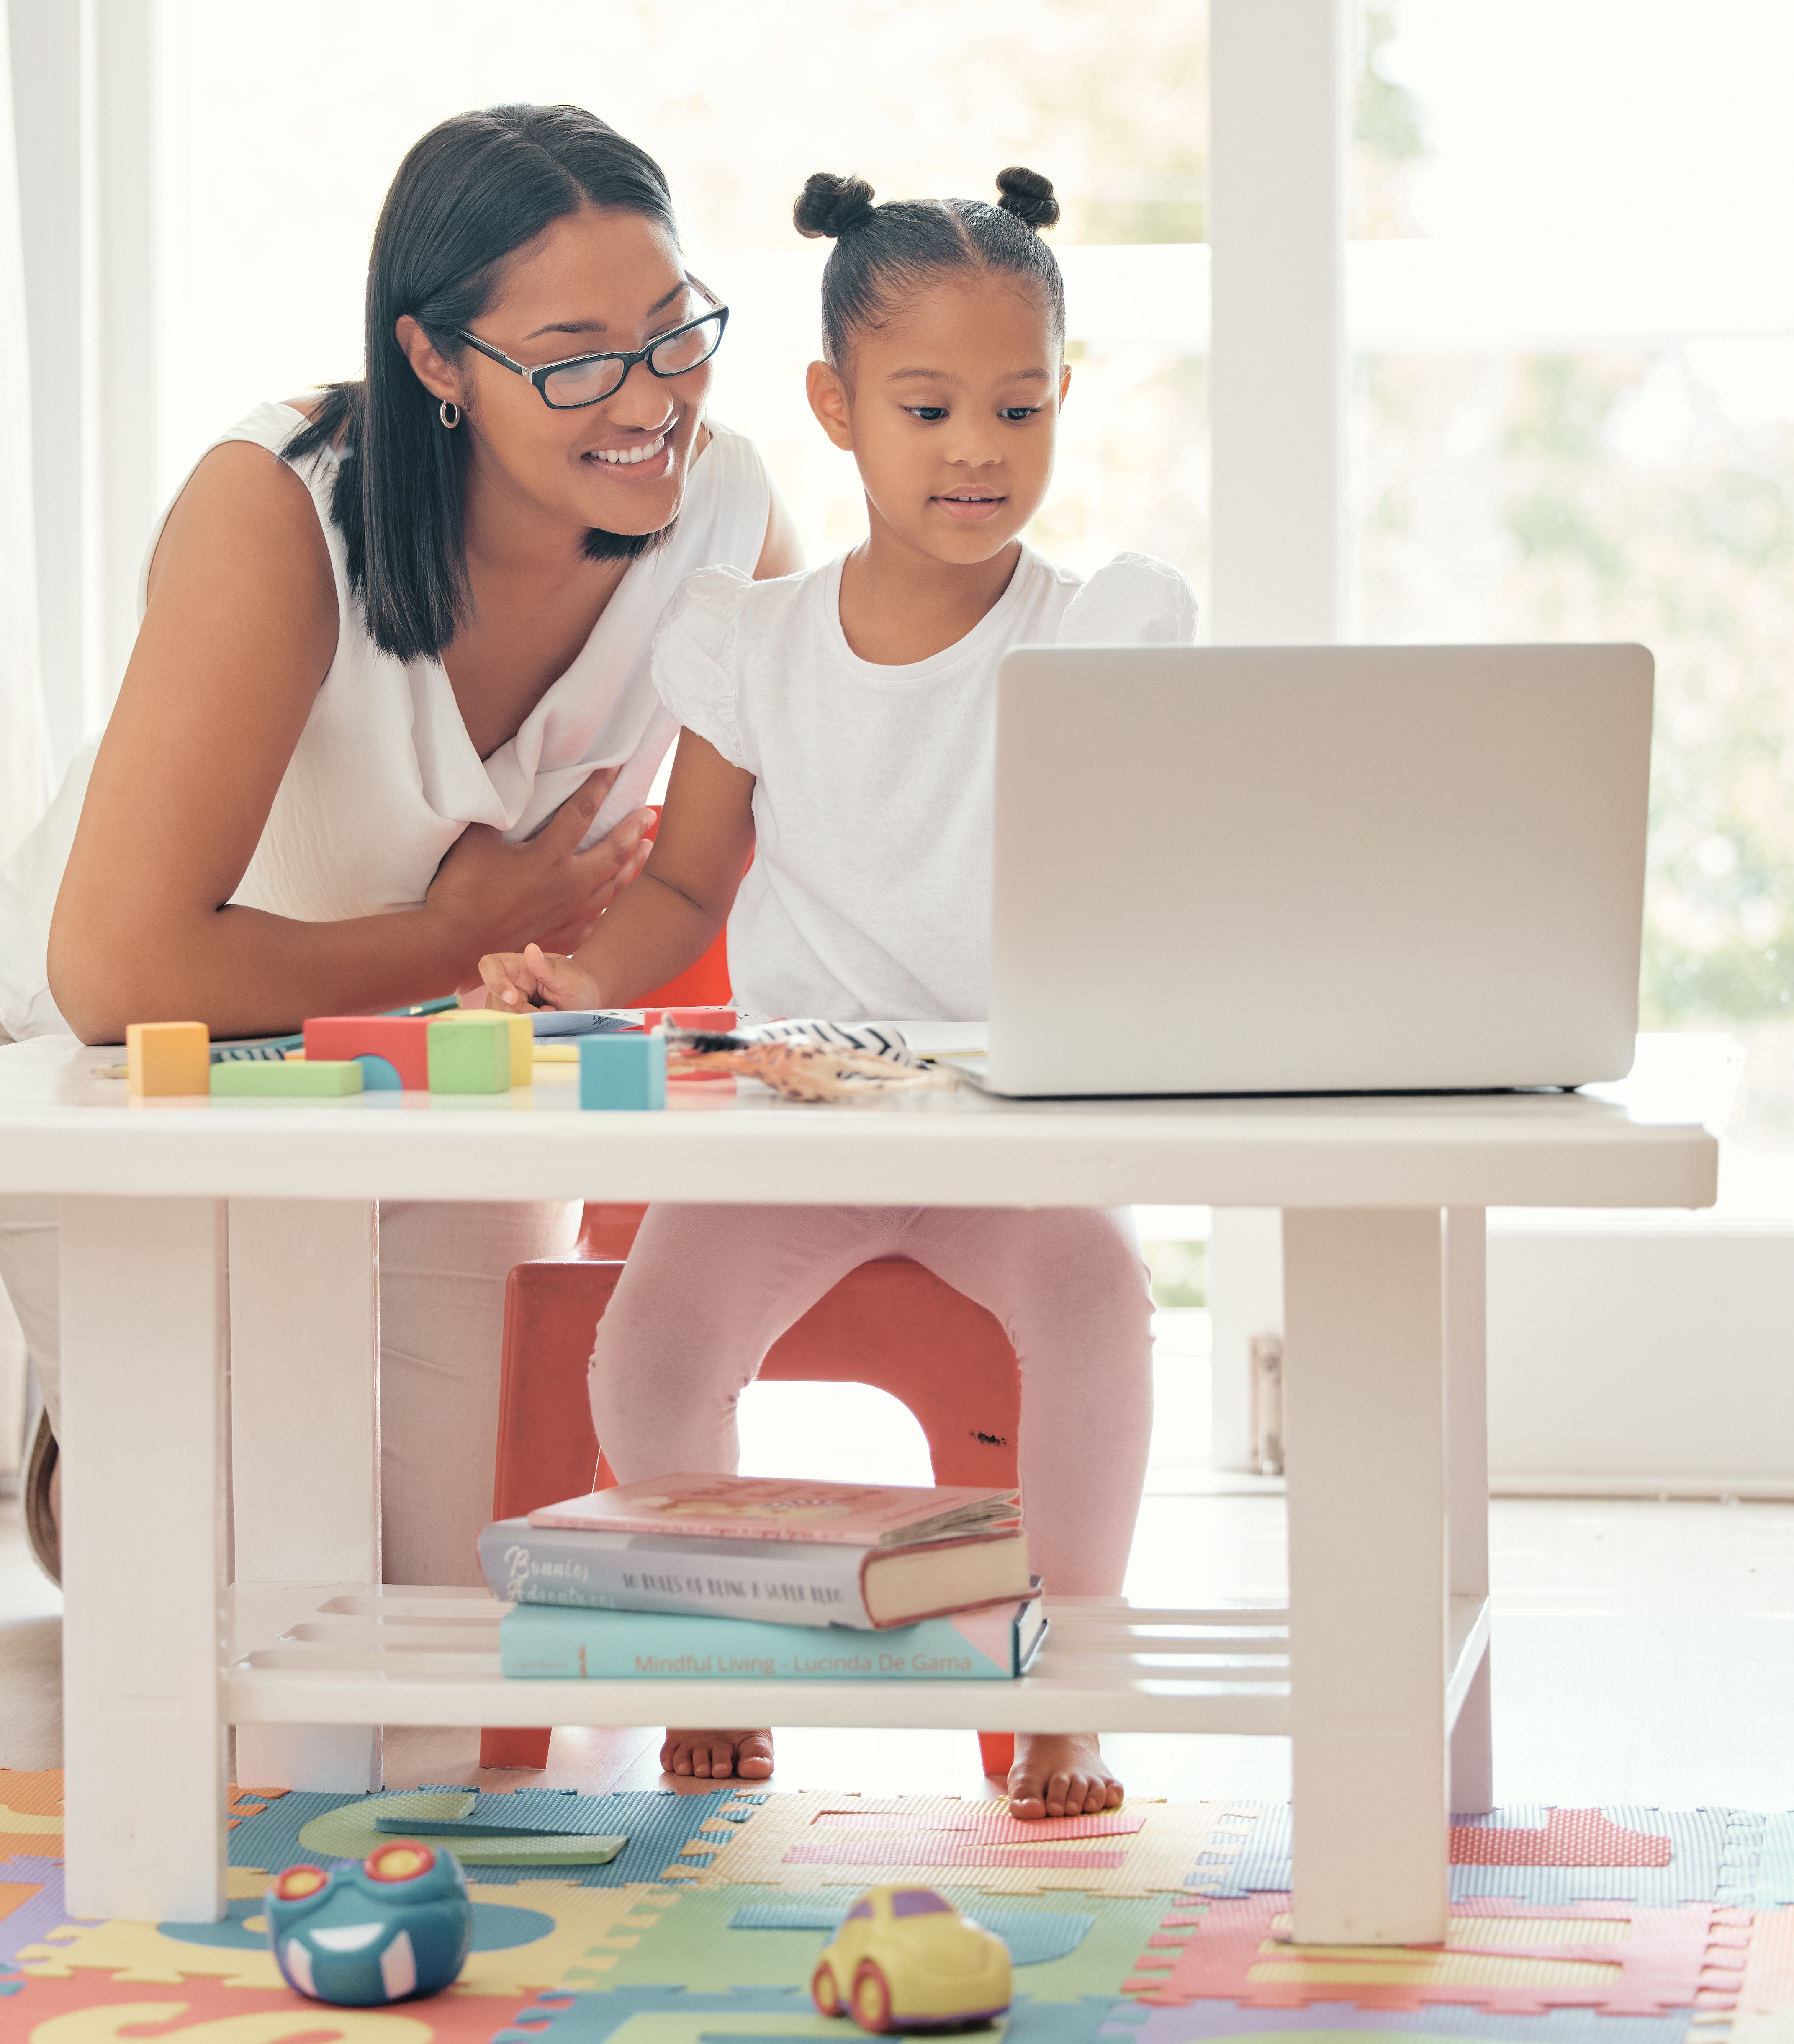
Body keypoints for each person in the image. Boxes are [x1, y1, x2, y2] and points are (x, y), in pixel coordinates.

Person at [0, 103, 797, 1590]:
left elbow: (713, 863)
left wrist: (556, 977)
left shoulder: (724, 514)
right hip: (141, 1059)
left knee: (437, 1592)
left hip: (450, 1066)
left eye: (676, 333)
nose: (650, 395)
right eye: (575, 357)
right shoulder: (282, 509)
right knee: (219, 1589)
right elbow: (116, 969)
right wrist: (458, 932)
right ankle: (87, 1456)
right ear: (433, 362)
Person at [477, 167, 1192, 1819]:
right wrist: (578, 977)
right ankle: (718, 1662)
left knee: (1096, 1307)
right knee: (650, 1347)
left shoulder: (1097, 634)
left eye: (1017, 408)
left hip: (1013, 1133)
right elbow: (679, 887)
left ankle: (1063, 1688)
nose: (975, 448)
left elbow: (1151, 882)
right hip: (802, 1114)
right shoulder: (755, 647)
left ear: (1061, 404)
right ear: (835, 408)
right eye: (928, 406)